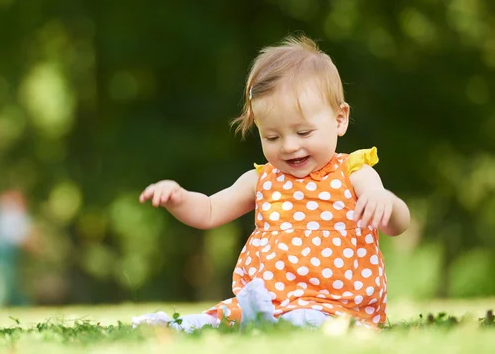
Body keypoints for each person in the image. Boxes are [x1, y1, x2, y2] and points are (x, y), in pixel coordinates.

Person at [133, 35, 410, 332]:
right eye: (272, 137)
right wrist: (179, 198)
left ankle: (281, 321)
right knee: (226, 316)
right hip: (271, 300)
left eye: (303, 132)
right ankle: (181, 324)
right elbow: (210, 210)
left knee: (308, 322)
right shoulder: (262, 179)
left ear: (339, 119)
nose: (289, 146)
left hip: (336, 305)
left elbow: (398, 225)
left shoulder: (355, 172)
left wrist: (386, 201)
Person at [0, 189, 40, 307]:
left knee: (12, 280)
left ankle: (18, 304)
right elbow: (13, 234)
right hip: (1, 251)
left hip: (9, 251)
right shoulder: (7, 214)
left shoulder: (14, 214)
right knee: (0, 281)